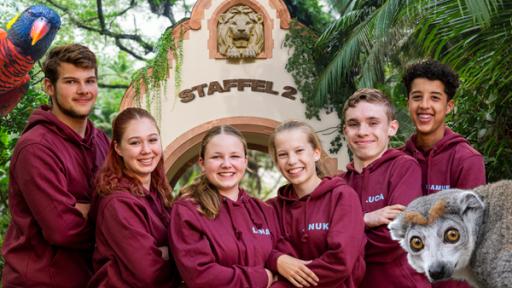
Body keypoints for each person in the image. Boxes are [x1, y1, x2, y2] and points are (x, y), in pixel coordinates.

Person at [2, 44, 110, 287]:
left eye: (89, 81)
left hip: (90, 279)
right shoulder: (36, 147)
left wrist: (85, 208)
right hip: (40, 281)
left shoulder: (102, 140)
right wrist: (115, 216)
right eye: (71, 82)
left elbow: (126, 197)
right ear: (49, 87)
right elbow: (63, 229)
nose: (83, 90)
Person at [169, 125, 291, 288]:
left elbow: (284, 268)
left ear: (245, 161)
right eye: (217, 157)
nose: (226, 164)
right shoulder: (188, 211)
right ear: (202, 163)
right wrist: (262, 278)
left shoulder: (264, 211)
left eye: (234, 156)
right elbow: (201, 276)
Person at [402, 60, 485, 288]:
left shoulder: (467, 160)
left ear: (449, 106)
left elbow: (468, 235)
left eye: (435, 98)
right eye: (417, 97)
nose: (424, 105)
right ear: (408, 102)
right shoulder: (398, 160)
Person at [340, 88, 431, 288]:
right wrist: (365, 220)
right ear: (345, 131)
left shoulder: (404, 168)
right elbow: (319, 241)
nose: (362, 131)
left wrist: (341, 241)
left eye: (373, 123)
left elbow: (395, 238)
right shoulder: (338, 185)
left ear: (392, 128)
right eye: (353, 124)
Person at [267, 120, 366, 288]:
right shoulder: (271, 209)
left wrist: (282, 283)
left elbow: (340, 263)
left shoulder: (342, 197)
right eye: (283, 154)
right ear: (277, 162)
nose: (292, 161)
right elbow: (259, 252)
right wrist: (277, 260)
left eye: (299, 151)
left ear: (316, 153)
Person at [88, 107, 180, 287]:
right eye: (135, 143)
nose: (146, 150)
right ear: (118, 148)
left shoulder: (158, 191)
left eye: (152, 140)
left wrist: (166, 252)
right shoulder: (118, 202)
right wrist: (180, 257)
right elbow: (148, 273)